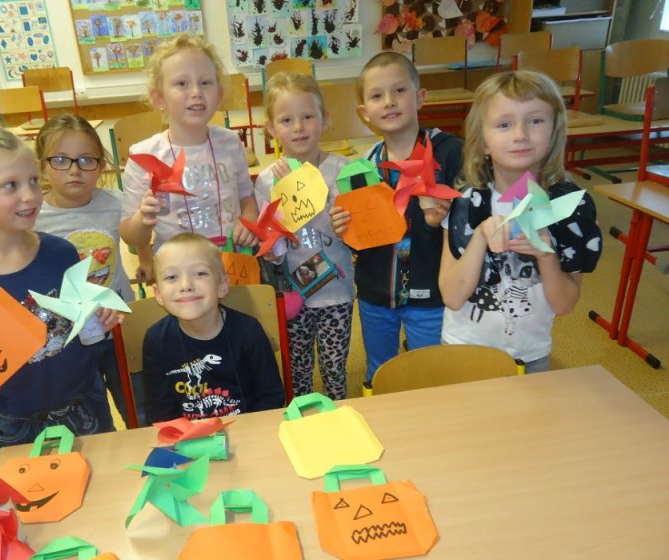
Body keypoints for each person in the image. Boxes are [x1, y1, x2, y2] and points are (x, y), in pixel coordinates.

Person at [0, 123, 121, 450]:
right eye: (10, 185)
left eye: (32, 181)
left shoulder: (61, 252)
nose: (30, 195)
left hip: (86, 405)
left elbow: (83, 327)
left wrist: (101, 315)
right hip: (18, 422)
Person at [439, 71, 602, 372]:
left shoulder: (569, 208)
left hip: (530, 355)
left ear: (554, 131)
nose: (520, 134)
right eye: (504, 124)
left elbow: (564, 305)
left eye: (535, 120)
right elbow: (452, 296)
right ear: (483, 142)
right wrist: (480, 237)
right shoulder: (464, 203)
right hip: (463, 348)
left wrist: (546, 254)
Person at [330, 51, 464, 388]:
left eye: (399, 90)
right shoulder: (361, 168)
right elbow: (362, 238)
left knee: (431, 376)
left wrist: (439, 222)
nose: (389, 101)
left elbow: (469, 226)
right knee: (380, 372)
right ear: (365, 113)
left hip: (431, 296)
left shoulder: (452, 153)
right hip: (376, 295)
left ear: (420, 97)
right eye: (377, 96)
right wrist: (347, 230)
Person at [120, 33, 258, 282]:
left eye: (205, 82)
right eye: (182, 83)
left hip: (232, 266)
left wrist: (249, 220)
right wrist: (143, 218)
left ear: (219, 94)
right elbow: (131, 236)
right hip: (179, 276)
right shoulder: (143, 156)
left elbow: (246, 196)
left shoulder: (230, 143)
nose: (196, 92)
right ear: (159, 98)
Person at [254, 72, 354, 400]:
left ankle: (338, 418)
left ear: (324, 120)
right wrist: (273, 252)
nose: (298, 127)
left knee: (334, 370)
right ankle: (302, 423)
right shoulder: (266, 181)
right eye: (286, 120)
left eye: (308, 117)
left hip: (336, 291)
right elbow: (273, 240)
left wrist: (303, 190)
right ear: (271, 129)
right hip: (293, 295)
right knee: (297, 371)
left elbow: (347, 235)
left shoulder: (341, 171)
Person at [34, 114, 139, 425]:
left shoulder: (117, 203)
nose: (75, 170)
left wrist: (145, 258)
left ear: (101, 165)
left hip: (119, 325)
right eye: (60, 160)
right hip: (69, 337)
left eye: (86, 160)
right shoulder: (33, 216)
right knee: (89, 420)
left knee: (138, 407)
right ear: (42, 166)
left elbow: (137, 237)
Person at [142, 233, 285, 424]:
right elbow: (159, 413)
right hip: (189, 437)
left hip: (248, 429)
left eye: (200, 273)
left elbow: (272, 397)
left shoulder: (248, 331)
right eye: (171, 277)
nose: (186, 285)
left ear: (222, 285)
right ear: (158, 294)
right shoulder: (156, 340)